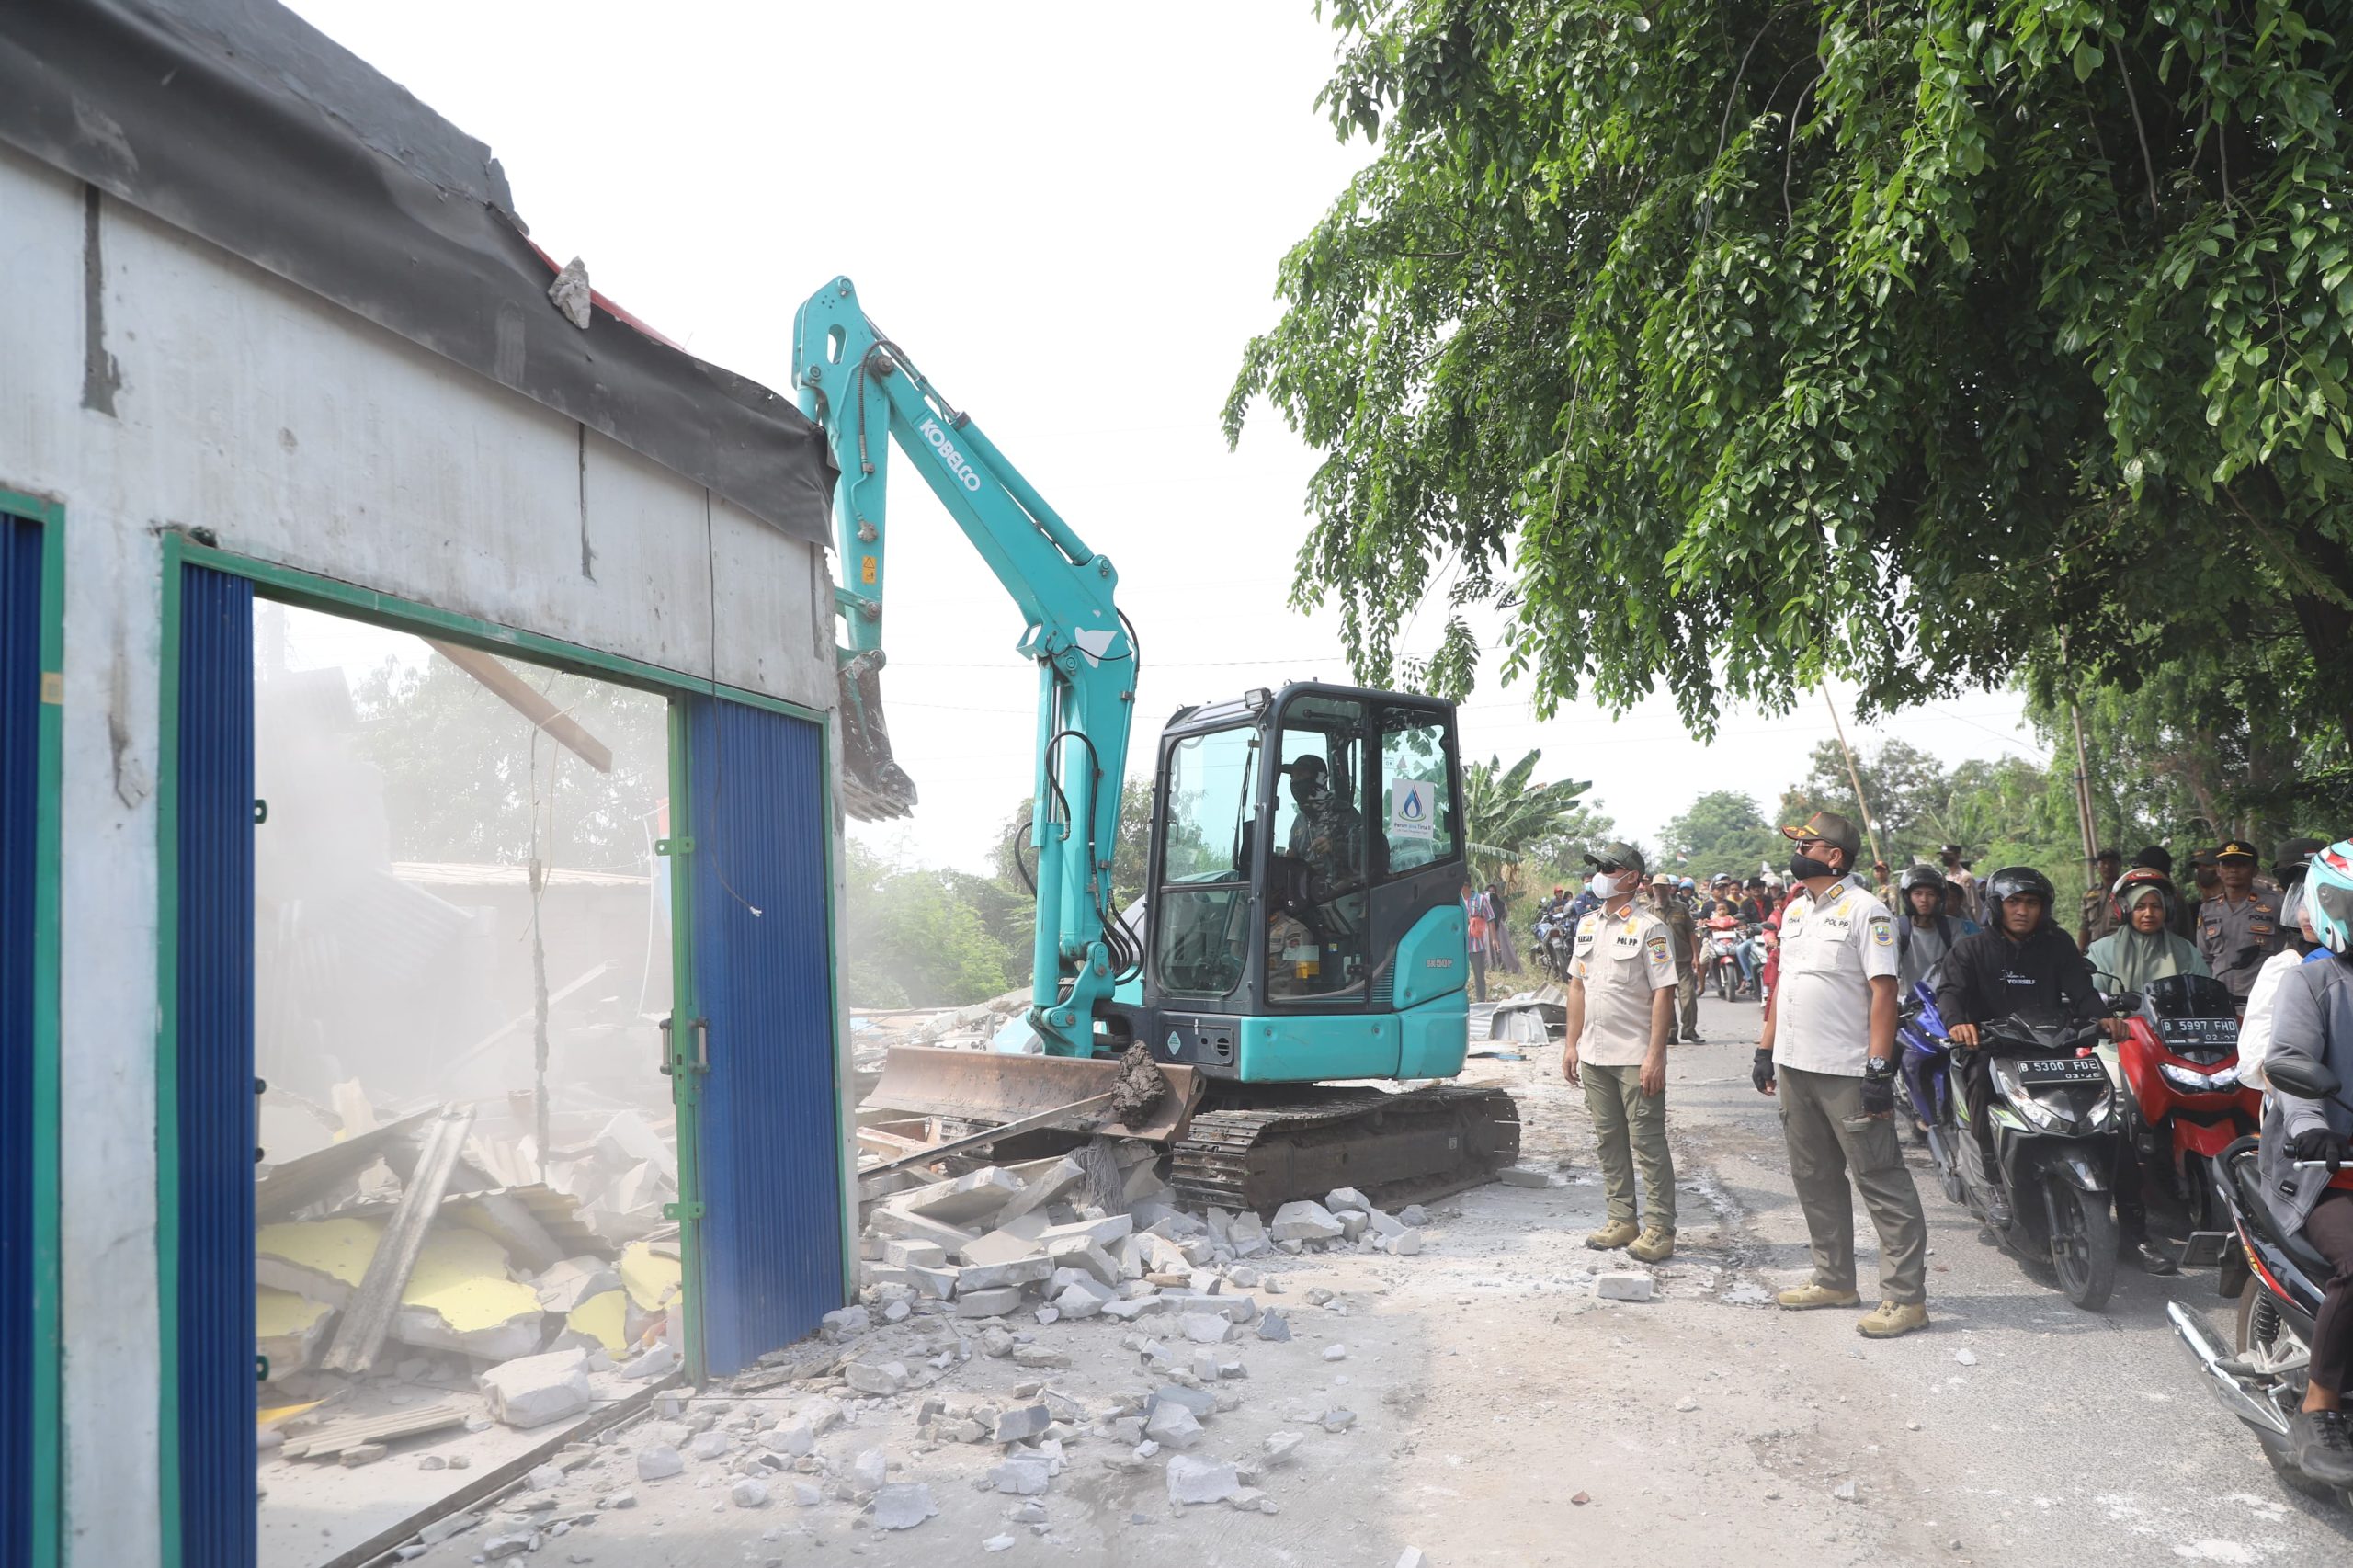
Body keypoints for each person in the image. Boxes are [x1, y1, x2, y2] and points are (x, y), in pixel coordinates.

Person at [1935, 865, 2173, 1272]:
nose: (2023, 911)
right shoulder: (1970, 950)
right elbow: (1950, 993)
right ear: (1997, 906)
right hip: (1995, 1050)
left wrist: (2103, 1019)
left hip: (2054, 1049)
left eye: (2032, 903)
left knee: (2111, 1130)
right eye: (2014, 902)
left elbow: (2081, 990)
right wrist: (1959, 1022)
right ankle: (1992, 1180)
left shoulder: (2058, 944)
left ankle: (2136, 1237)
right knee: (1978, 1083)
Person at [1751, 812, 1929, 1337]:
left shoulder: (1866, 910)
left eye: (1807, 843)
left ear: (1833, 855)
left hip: (1848, 1070)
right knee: (1814, 1178)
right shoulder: (1795, 912)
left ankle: (1905, 1298)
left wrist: (1879, 1067)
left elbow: (1884, 992)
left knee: (1881, 1180)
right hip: (1795, 1066)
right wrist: (1766, 1049)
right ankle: (1834, 1279)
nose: (1797, 849)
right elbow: (1784, 982)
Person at [2256, 838, 2353, 1487]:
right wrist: (2316, 1129)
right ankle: (2319, 1403)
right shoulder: (2312, 981)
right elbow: (2288, 1064)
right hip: (2325, 1169)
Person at [1560, 842, 1680, 1264]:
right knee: (1609, 1141)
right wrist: (1571, 1045)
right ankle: (1621, 1219)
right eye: (1599, 869)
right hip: (1594, 1054)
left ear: (1631, 878)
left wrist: (1656, 1055)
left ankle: (1660, 1228)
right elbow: (1577, 986)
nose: (1601, 875)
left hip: (1634, 1055)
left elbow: (1665, 992)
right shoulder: (1588, 924)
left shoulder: (1651, 928)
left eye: (1609, 869)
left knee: (1647, 1143)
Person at [2085, 870, 2210, 990]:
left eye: (2156, 906)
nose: (2149, 913)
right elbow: (2093, 995)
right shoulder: (2102, 951)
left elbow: (2206, 992)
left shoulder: (2186, 950)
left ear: (2167, 910)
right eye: (2140, 907)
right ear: (2125, 910)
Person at [2200, 839, 2286, 1002]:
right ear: (2219, 870)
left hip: (2264, 1001)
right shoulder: (2207, 909)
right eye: (2227, 865)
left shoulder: (2277, 903)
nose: (2233, 870)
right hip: (2220, 1002)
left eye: (2241, 865)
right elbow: (2204, 958)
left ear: (2255, 870)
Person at [1281, 756, 1363, 895]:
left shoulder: (1344, 813)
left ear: (1318, 780)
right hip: (1308, 898)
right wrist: (1291, 861)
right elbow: (1297, 858)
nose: (1294, 783)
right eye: (1292, 778)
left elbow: (1372, 854)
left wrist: (1336, 848)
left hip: (1344, 898)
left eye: (1300, 776)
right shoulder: (1299, 821)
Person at [1893, 864, 1973, 998]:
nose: (1924, 900)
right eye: (1918, 894)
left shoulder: (1954, 927)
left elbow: (1965, 966)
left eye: (1930, 894)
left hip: (1945, 1002)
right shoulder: (1898, 928)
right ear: (1907, 897)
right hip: (1907, 1004)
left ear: (1940, 898)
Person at [1651, 874, 1704, 1043]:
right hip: (1660, 964)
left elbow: (1691, 933)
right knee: (1665, 1000)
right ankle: (1670, 1033)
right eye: (1656, 887)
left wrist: (1696, 956)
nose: (1660, 890)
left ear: (1669, 888)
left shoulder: (1681, 908)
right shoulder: (1649, 912)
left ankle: (1689, 1030)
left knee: (1688, 997)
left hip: (1682, 961)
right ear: (1653, 889)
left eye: (1663, 887)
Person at [2078, 847, 2124, 949]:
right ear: (2097, 866)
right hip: (2094, 950)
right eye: (2103, 863)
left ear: (2119, 865)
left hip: (2120, 947)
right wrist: (2079, 953)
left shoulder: (2127, 891)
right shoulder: (2090, 895)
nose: (2107, 866)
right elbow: (2085, 926)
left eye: (2112, 862)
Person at [1461, 880, 1493, 1004]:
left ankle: (1481, 1001)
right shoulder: (1456, 901)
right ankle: (1463, 1001)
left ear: (1466, 886)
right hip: (1460, 946)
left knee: (1479, 976)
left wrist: (1494, 939)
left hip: (1476, 946)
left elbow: (1490, 918)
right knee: (1459, 977)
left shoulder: (1481, 899)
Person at [1939, 844, 1982, 923]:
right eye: (1943, 855)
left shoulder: (1966, 877)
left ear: (1957, 856)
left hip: (1965, 923)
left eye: (1948, 855)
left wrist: (1975, 927)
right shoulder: (1946, 878)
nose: (1944, 857)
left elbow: (1974, 905)